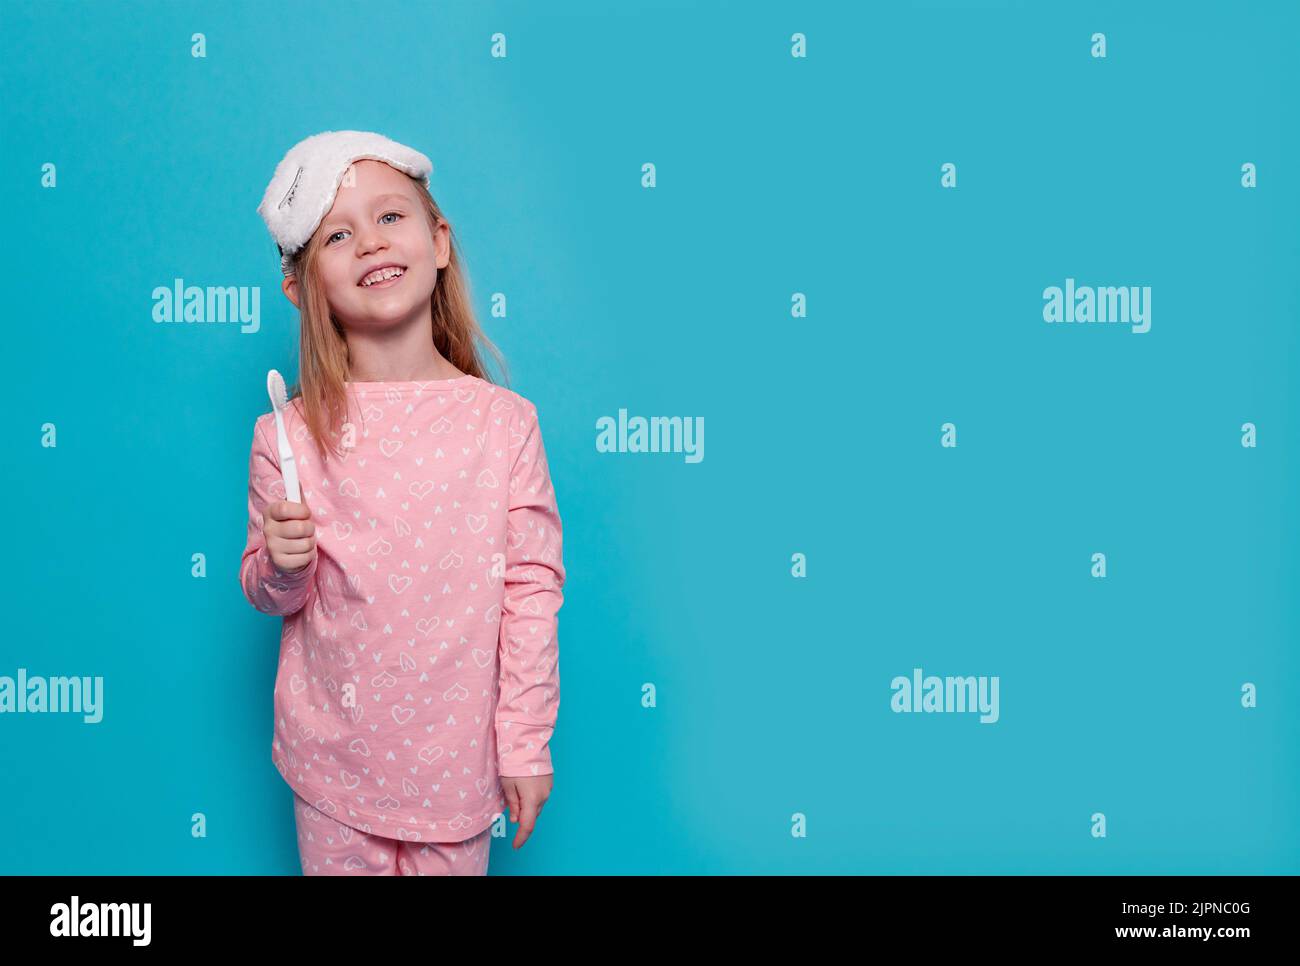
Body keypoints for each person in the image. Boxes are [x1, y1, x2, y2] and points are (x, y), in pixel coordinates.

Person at [240, 130, 565, 875]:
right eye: (338, 235)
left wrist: (523, 739)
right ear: (300, 285)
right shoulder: (284, 435)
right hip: (330, 767)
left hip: (453, 770)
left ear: (438, 239)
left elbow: (531, 592)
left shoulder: (505, 425)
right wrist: (281, 564)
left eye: (391, 218)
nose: (370, 244)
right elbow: (270, 592)